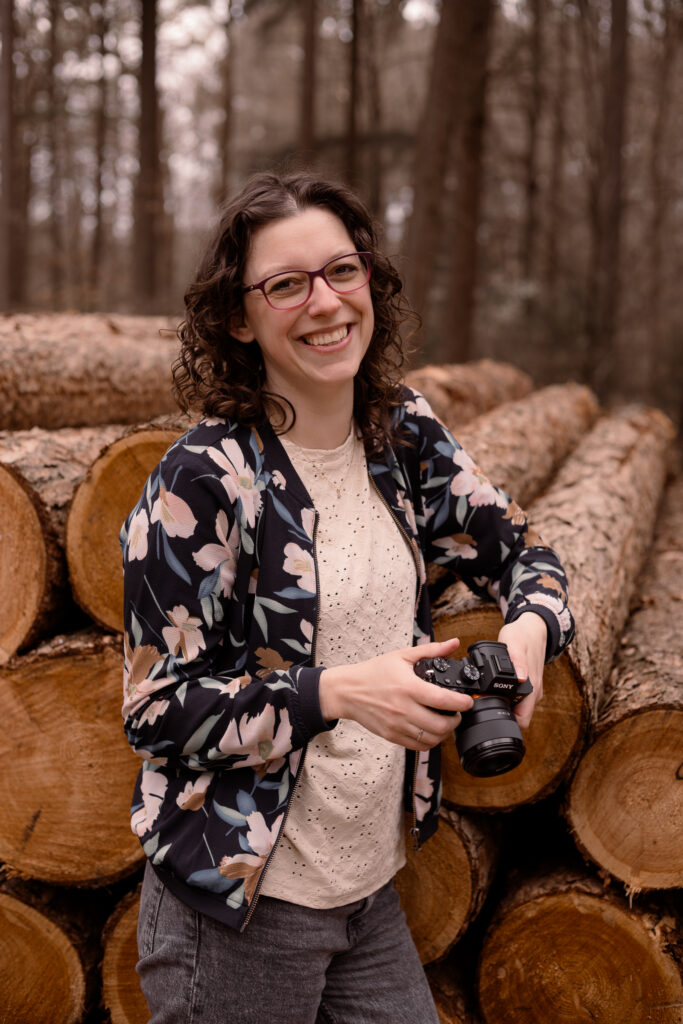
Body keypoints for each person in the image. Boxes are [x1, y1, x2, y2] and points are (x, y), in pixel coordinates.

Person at [120, 171, 574, 1024]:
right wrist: (335, 690)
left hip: (368, 893)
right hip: (238, 909)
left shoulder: (399, 432)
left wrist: (530, 629)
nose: (325, 303)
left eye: (342, 271)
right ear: (237, 318)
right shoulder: (202, 482)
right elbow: (156, 710)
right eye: (285, 285)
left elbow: (526, 553)